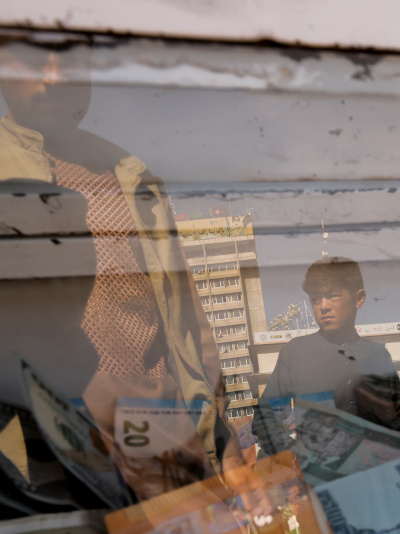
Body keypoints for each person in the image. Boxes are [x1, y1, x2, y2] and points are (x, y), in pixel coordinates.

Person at [0, 36, 236, 499]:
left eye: (71, 57)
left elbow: (188, 330)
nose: (55, 77)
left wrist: (219, 443)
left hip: (165, 453)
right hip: (46, 468)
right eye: (32, 56)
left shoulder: (133, 178)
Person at [259, 257, 400, 434]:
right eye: (316, 299)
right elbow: (267, 418)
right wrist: (297, 456)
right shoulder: (295, 354)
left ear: (358, 298)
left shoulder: (378, 355)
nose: (323, 306)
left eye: (332, 296)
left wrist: (395, 455)